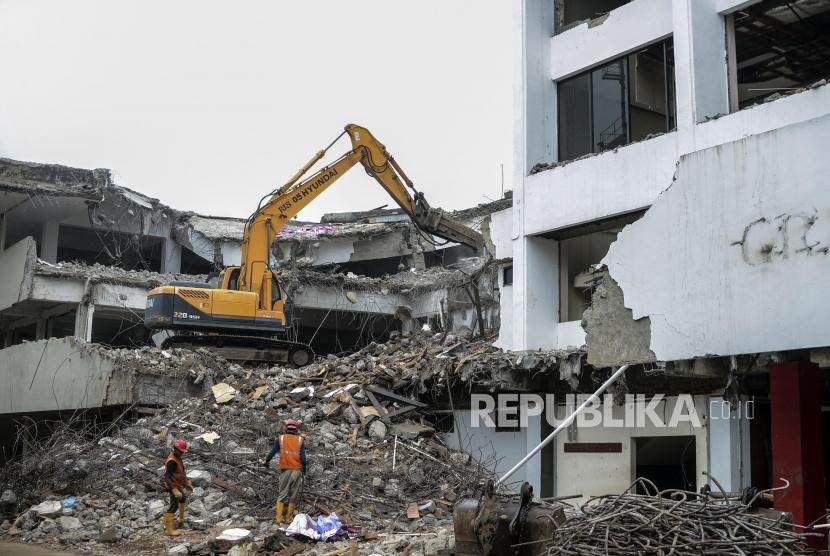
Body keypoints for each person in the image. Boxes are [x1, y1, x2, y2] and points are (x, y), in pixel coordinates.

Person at [263, 419, 306, 524]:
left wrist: (267, 462)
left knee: (282, 494)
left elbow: (272, 453)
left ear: (286, 428)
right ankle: (288, 518)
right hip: (297, 469)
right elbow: (303, 459)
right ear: (296, 430)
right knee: (293, 495)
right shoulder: (300, 440)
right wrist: (304, 470)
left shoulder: (280, 439)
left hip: (285, 469)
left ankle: (278, 518)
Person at [162, 438, 192, 536]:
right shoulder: (172, 461)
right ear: (175, 449)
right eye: (181, 451)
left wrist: (187, 482)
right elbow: (166, 477)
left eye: (183, 452)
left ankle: (181, 519)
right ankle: (168, 530)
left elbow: (181, 472)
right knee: (173, 506)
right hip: (172, 485)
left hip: (178, 484)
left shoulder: (178, 458)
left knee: (183, 498)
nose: (182, 453)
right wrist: (174, 490)